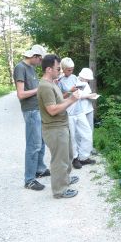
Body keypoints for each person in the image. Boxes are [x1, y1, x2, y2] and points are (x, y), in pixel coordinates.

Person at [37, 54, 80, 199]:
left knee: (67, 156)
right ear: (49, 69)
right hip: (54, 129)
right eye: (57, 68)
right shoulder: (45, 86)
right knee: (59, 160)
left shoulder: (52, 82)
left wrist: (68, 94)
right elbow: (52, 109)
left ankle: (65, 179)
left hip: (61, 126)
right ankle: (59, 190)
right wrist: (72, 100)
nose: (60, 70)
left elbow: (59, 100)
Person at [13, 44, 49, 191]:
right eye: (40, 60)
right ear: (34, 57)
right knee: (33, 145)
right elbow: (20, 94)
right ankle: (29, 179)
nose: (41, 63)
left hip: (37, 109)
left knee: (41, 142)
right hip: (30, 111)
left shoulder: (32, 68)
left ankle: (39, 169)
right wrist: (39, 88)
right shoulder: (20, 68)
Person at [58, 58, 96, 169]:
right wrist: (70, 90)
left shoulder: (74, 77)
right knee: (73, 136)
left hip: (79, 110)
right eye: (69, 70)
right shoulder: (59, 81)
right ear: (63, 69)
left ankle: (84, 157)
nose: (71, 71)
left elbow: (80, 91)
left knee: (87, 133)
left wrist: (81, 91)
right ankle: (75, 158)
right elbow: (60, 97)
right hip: (69, 111)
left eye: (72, 69)